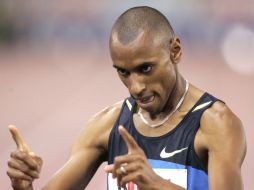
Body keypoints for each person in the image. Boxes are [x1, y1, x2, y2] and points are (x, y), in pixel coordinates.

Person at [7, 6, 246, 190]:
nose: (136, 87)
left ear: (175, 51)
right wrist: (23, 185)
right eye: (123, 72)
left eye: (146, 69)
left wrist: (157, 184)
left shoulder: (216, 124)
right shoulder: (108, 125)